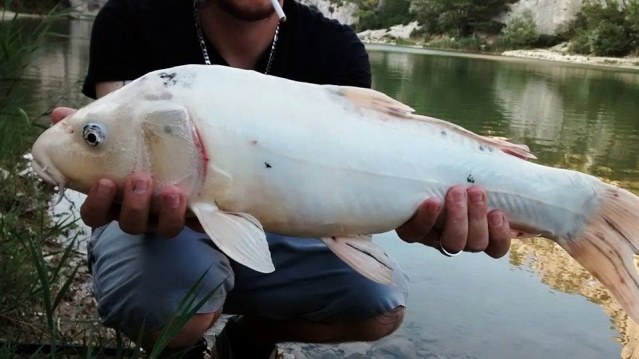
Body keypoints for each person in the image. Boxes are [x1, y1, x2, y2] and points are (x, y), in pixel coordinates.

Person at [50, 0, 513, 357]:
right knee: (166, 304)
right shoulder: (132, 17)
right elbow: (119, 151)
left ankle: (246, 343)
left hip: (280, 230)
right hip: (160, 227)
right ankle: (180, 349)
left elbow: (352, 207)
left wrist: (428, 217)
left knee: (380, 304)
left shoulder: (334, 48)